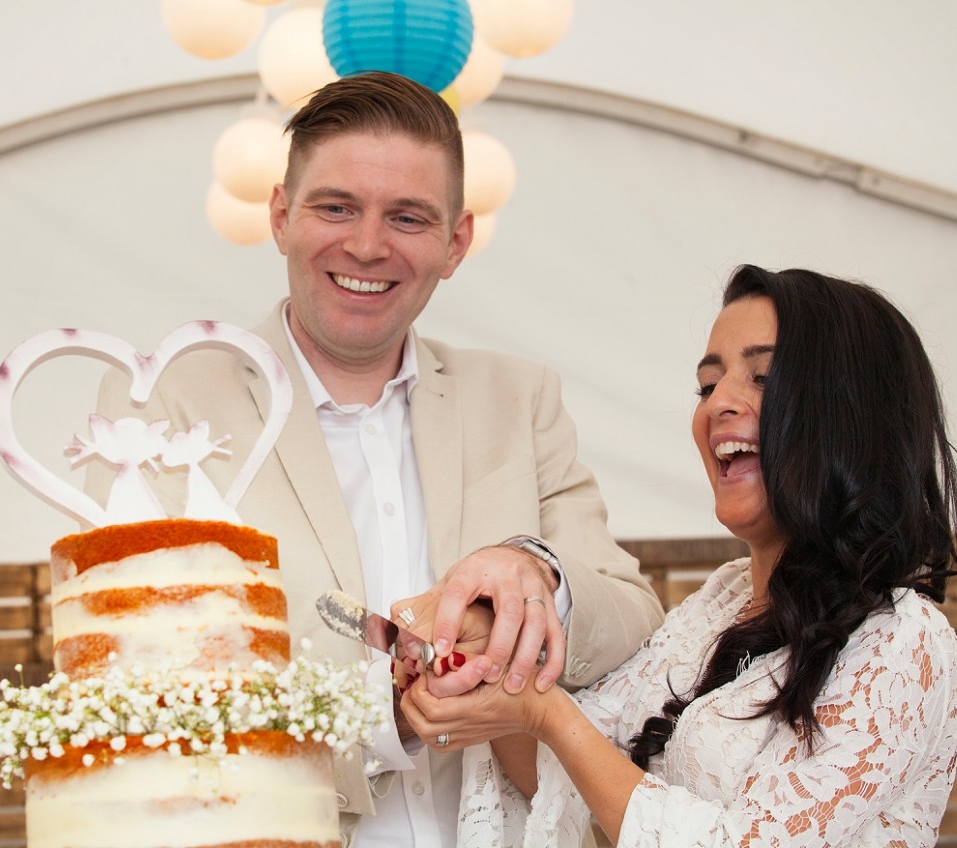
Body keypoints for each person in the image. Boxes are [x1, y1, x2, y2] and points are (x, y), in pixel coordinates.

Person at [85, 71, 664, 847]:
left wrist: (537, 581)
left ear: (455, 243)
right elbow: (132, 692)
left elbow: (631, 615)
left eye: (408, 217)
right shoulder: (162, 405)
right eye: (336, 206)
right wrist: (380, 715)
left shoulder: (520, 398)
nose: (366, 244)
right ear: (281, 216)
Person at [400, 265, 957, 847]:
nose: (717, 404)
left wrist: (549, 717)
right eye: (707, 385)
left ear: (850, 415)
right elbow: (573, 786)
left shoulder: (904, 639)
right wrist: (490, 668)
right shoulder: (721, 602)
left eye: (764, 378)